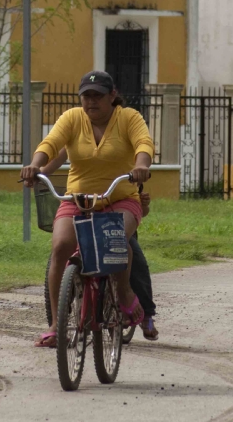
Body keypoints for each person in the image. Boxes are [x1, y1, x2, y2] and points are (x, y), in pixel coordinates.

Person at [21, 70, 153, 347]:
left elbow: (144, 143)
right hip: (78, 198)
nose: (91, 102)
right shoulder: (72, 118)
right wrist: (36, 164)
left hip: (120, 197)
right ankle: (57, 327)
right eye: (86, 96)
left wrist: (141, 166)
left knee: (115, 239)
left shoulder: (129, 118)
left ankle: (126, 293)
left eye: (98, 96)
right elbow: (51, 143)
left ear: (112, 96)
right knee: (60, 246)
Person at [43, 146, 160, 340]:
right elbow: (56, 154)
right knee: (64, 250)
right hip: (85, 208)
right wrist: (40, 170)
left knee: (134, 259)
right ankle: (64, 313)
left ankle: (146, 313)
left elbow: (138, 202)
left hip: (117, 216)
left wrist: (143, 204)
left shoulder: (127, 152)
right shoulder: (77, 133)